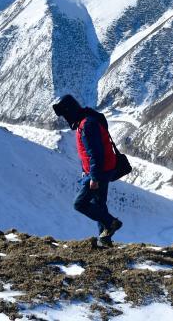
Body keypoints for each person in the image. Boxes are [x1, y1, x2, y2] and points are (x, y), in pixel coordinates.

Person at [52, 94, 123, 246]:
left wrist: (94, 178)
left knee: (79, 203)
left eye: (65, 114)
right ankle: (105, 240)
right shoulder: (86, 121)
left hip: (100, 171)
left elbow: (95, 153)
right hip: (103, 169)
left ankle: (111, 223)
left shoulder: (87, 125)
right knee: (99, 205)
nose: (65, 118)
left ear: (70, 111)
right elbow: (90, 153)